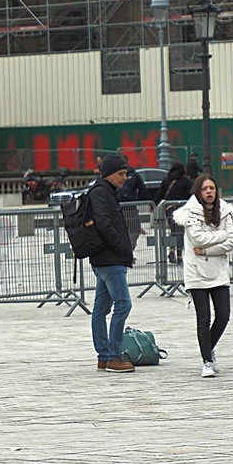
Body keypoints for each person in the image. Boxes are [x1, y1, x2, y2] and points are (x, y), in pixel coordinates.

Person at [173, 174, 233, 378]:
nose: (209, 192)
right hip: (197, 272)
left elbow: (232, 241)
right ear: (198, 192)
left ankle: (208, 348)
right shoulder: (190, 212)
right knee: (204, 317)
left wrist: (210, 248)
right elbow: (197, 238)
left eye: (212, 188)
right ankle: (207, 361)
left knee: (224, 316)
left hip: (218, 269)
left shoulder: (225, 211)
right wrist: (222, 236)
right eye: (205, 189)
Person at [89, 155, 135, 373]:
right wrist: (122, 248)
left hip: (104, 258)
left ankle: (104, 357)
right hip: (109, 259)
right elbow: (104, 225)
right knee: (123, 304)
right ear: (109, 174)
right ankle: (113, 356)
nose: (125, 178)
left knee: (101, 308)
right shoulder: (100, 193)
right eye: (121, 174)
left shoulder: (104, 192)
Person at [153, 162, 194, 264]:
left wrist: (152, 205)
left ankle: (172, 250)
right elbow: (191, 194)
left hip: (169, 209)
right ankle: (179, 256)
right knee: (180, 232)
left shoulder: (166, 180)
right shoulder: (185, 181)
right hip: (181, 209)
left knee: (174, 230)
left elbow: (160, 194)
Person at [115, 156, 151, 255]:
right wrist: (142, 201)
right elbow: (143, 189)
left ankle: (124, 252)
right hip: (131, 207)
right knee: (134, 230)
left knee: (120, 231)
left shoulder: (115, 175)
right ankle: (127, 252)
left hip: (117, 207)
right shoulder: (134, 174)